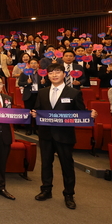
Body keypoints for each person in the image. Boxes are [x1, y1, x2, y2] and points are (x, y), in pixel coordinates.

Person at [32, 63, 97, 210]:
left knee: (67, 166)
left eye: (57, 72)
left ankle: (69, 194)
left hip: (64, 135)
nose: (54, 75)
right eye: (51, 73)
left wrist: (90, 114)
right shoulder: (42, 92)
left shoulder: (74, 93)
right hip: (46, 134)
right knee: (46, 164)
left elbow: (81, 112)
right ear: (47, 75)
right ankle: (46, 190)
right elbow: (37, 109)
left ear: (64, 74)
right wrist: (34, 113)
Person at [18, 57, 44, 135]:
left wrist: (44, 83)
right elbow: (20, 83)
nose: (33, 65)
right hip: (28, 95)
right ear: (29, 65)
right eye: (32, 63)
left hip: (39, 95)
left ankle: (36, 129)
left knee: (37, 113)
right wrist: (27, 82)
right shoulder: (24, 73)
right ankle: (28, 129)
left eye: (35, 63)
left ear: (38, 64)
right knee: (28, 113)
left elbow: (47, 84)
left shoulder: (42, 73)